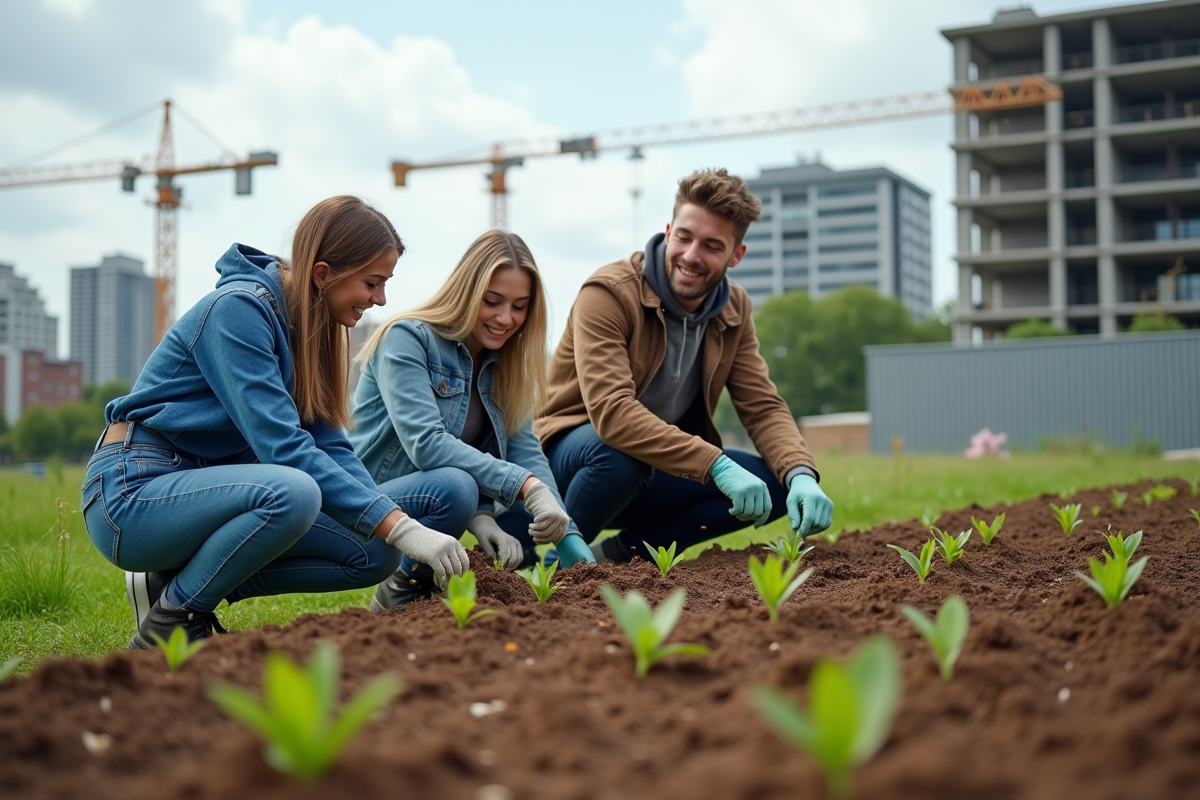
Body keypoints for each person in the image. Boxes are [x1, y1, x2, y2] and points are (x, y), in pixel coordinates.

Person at [81, 196, 476, 649]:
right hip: (134, 495)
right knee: (294, 491)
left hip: (214, 491)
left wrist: (388, 521)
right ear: (322, 274)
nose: (380, 299)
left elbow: (330, 445)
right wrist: (402, 526)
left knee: (379, 547)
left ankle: (183, 581)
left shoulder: (310, 327)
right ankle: (173, 617)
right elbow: (285, 449)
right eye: (372, 283)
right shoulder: (237, 310)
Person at [535, 168, 835, 563]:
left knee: (774, 483)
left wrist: (800, 473)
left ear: (736, 255)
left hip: (656, 465)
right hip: (571, 465)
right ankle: (559, 563)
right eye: (684, 237)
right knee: (619, 455)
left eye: (712, 246)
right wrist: (716, 465)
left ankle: (622, 554)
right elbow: (613, 413)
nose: (692, 256)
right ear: (668, 230)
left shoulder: (734, 308)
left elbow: (762, 407)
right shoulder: (608, 293)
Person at [350, 229, 591, 611]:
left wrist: (567, 535)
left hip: (442, 493)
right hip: (370, 498)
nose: (505, 318)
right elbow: (427, 444)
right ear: (466, 291)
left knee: (476, 490)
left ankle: (426, 596)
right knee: (459, 485)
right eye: (492, 302)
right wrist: (525, 486)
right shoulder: (407, 338)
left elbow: (525, 450)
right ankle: (402, 587)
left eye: (519, 306)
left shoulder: (506, 362)